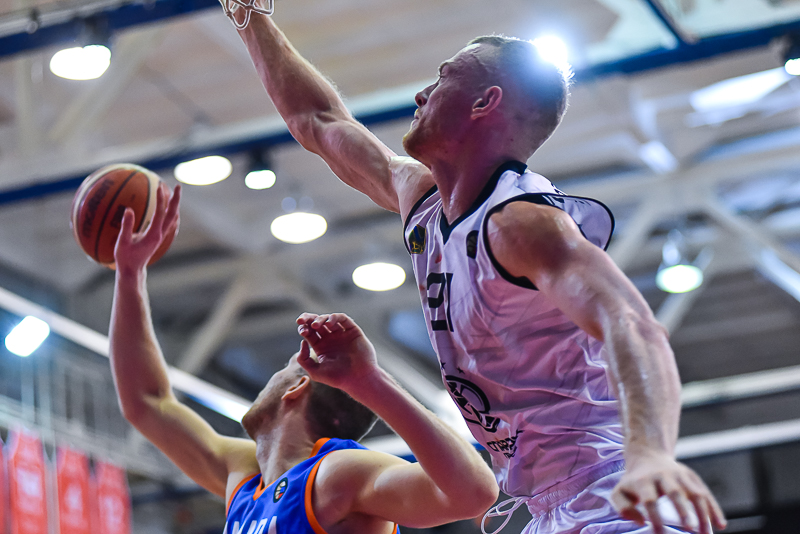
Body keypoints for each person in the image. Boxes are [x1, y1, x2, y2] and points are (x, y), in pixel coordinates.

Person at [229, 9, 728, 534]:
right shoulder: (424, 203)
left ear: (484, 102)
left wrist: (651, 453)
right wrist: (248, 15)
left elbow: (633, 323)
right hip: (548, 508)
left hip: (611, 493)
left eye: (443, 77)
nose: (421, 94)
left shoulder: (520, 223)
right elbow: (319, 120)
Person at [107, 185, 499, 534]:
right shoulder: (245, 477)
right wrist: (128, 275)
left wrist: (369, 381)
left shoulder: (336, 474)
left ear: (296, 389)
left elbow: (475, 494)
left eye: (283, 369)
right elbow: (147, 403)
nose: (269, 379)